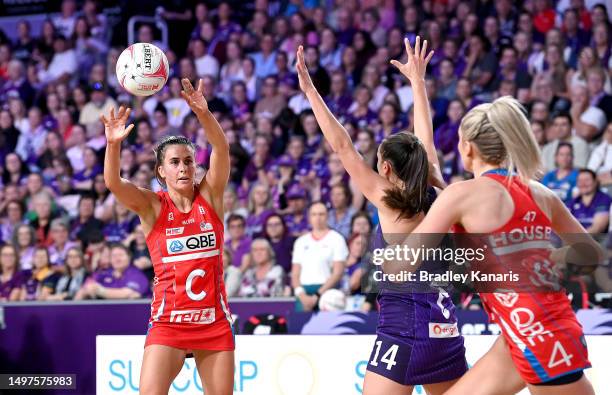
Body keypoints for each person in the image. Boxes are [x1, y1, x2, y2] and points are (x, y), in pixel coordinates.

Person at [296, 37, 467, 394]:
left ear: (386, 167)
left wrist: (311, 92)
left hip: (405, 327)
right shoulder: (436, 189)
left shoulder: (389, 198)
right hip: (446, 328)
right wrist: (417, 83)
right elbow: (426, 139)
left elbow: (342, 146)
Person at [396, 96, 596, 394]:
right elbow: (590, 252)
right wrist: (547, 259)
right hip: (530, 326)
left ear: (468, 147)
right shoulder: (540, 192)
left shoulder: (461, 195)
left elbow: (403, 263)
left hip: (535, 332)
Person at [101, 78, 234, 394]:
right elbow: (113, 184)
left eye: (188, 161)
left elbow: (222, 147)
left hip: (213, 322)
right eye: (175, 162)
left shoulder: (211, 196)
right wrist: (113, 144)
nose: (184, 168)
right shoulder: (152, 206)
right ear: (161, 171)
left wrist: (203, 113)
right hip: (168, 323)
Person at [291, 202, 348, 312]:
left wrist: (317, 295)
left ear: (327, 216)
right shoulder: (301, 242)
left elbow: (337, 272)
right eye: (314, 214)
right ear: (309, 217)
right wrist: (301, 295)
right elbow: (295, 273)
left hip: (327, 291)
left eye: (321, 214)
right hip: (303, 292)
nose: (318, 218)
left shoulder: (337, 239)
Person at [567, 169, 612, 234]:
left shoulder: (604, 199)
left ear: (595, 182)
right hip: (573, 240)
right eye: (580, 181)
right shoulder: (573, 202)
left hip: (596, 241)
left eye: (587, 180)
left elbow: (598, 227)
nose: (583, 183)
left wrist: (578, 239)